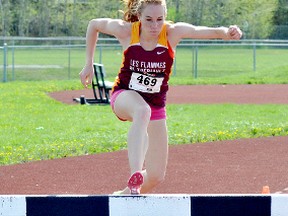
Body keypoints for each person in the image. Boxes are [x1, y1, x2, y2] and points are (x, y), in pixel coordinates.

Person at [79, 0, 242, 195]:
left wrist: (228, 32)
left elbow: (208, 31)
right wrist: (88, 63)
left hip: (156, 105)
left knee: (156, 175)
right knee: (141, 110)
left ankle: (123, 196)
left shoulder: (173, 32)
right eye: (148, 20)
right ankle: (135, 172)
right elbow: (94, 24)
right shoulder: (126, 31)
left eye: (159, 19)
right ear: (139, 17)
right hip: (124, 96)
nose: (154, 26)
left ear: (165, 17)